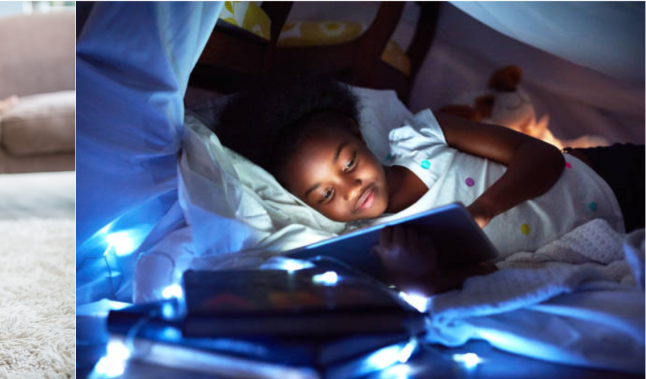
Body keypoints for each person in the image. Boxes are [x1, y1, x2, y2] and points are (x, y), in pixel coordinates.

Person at [216, 76, 642, 292]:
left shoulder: (425, 136)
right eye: (325, 195)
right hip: (602, 241)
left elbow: (543, 156)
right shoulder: (382, 241)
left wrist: (483, 210)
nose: (350, 189)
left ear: (358, 133)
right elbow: (483, 276)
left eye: (348, 163)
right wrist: (421, 278)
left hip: (607, 179)